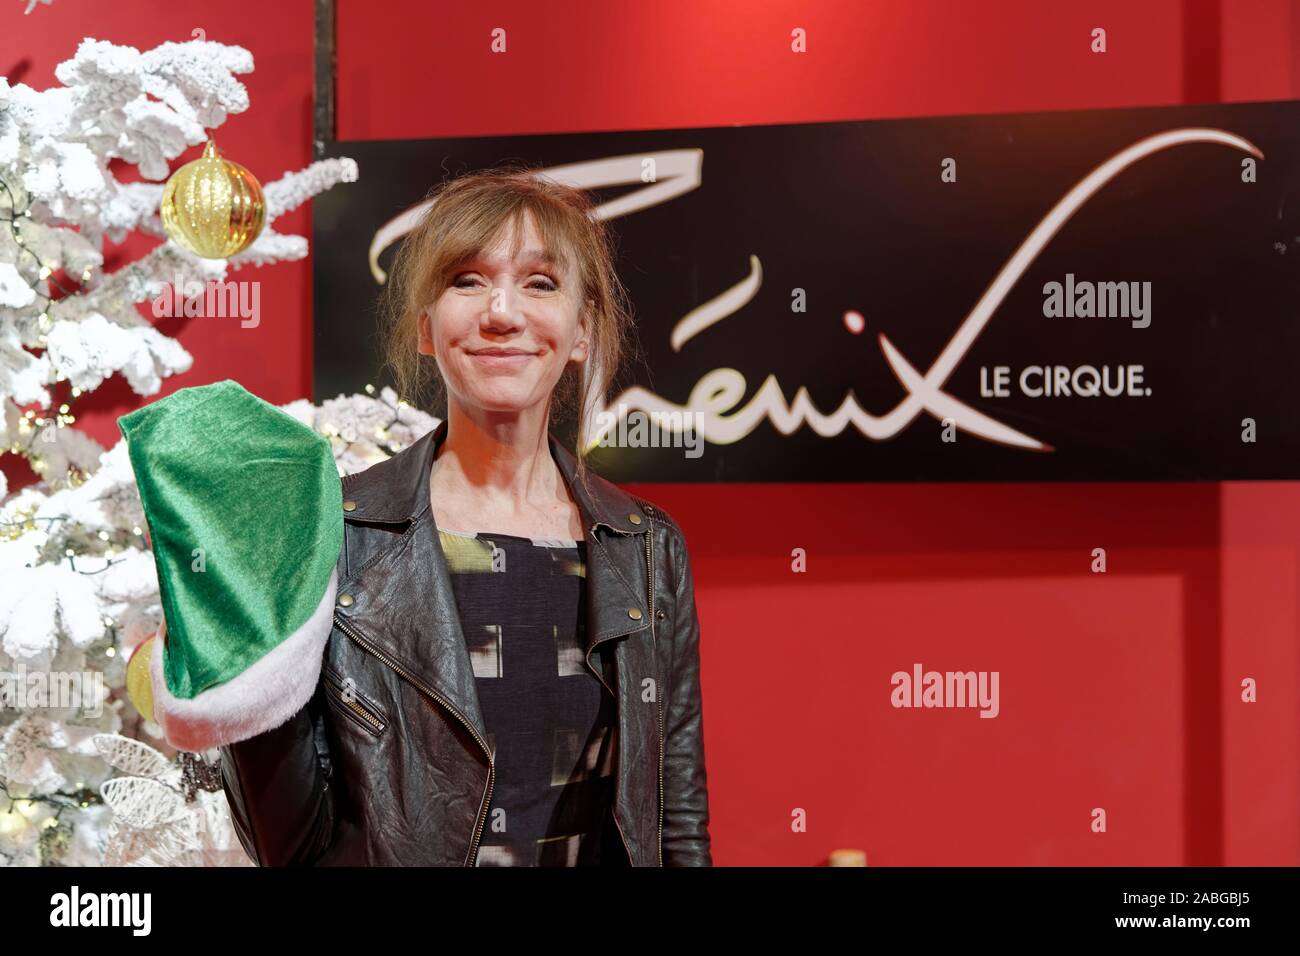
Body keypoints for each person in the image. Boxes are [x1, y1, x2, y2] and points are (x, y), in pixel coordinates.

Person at [212, 167, 712, 866]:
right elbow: (292, 846)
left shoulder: (647, 547)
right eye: (467, 280)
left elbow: (675, 813)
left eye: (540, 283)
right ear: (426, 328)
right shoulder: (334, 536)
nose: (501, 312)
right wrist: (241, 644)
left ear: (581, 332)